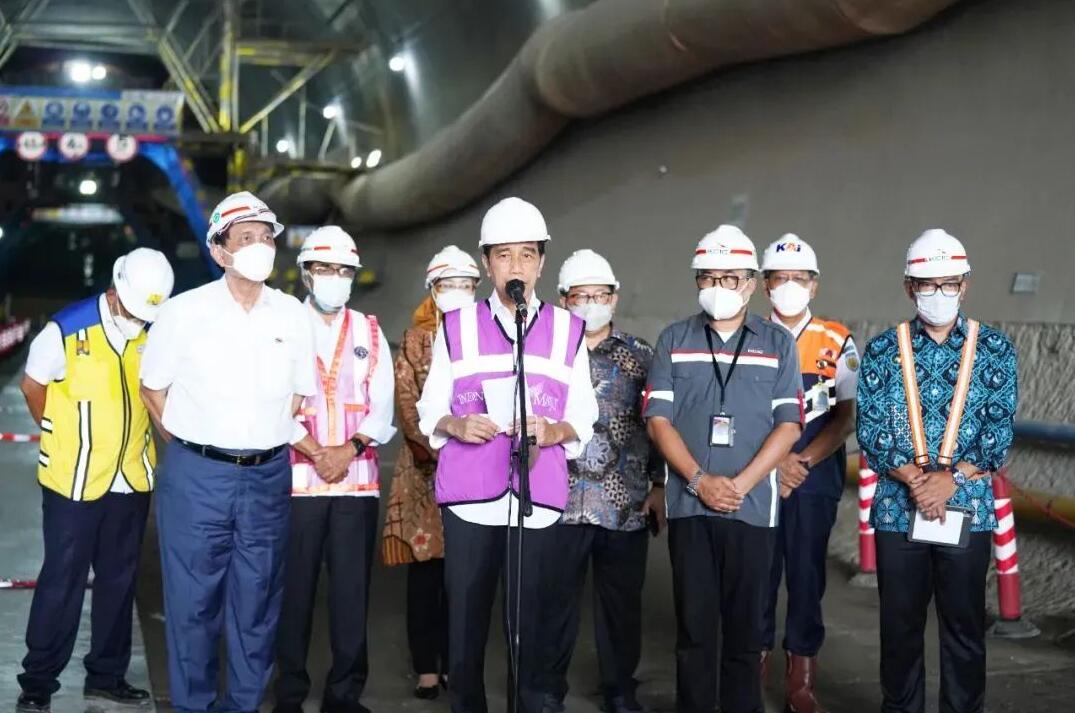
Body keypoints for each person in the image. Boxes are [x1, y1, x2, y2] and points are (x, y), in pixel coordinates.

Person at [416, 197, 598, 713]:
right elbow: (430, 409)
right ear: (487, 262)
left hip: (536, 498)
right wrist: (457, 423)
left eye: (526, 255)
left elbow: (583, 417)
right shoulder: (456, 326)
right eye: (503, 255)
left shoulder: (568, 330)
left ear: (541, 263)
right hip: (471, 496)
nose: (515, 266)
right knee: (465, 626)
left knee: (531, 627)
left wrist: (551, 430)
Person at [139, 191, 318, 713]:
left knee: (257, 604)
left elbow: (298, 396)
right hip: (197, 477)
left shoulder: (292, 315)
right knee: (192, 604)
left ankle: (243, 705)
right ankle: (194, 706)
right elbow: (153, 390)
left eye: (266, 237)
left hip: (266, 476)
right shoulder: (182, 312)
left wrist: (256, 435)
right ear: (219, 251)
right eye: (246, 238)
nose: (260, 246)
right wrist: (198, 445)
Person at [643, 224, 803, 713]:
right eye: (708, 277)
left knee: (746, 634)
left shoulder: (778, 343)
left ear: (751, 283)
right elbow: (658, 421)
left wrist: (740, 485)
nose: (719, 287)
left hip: (752, 509)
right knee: (694, 631)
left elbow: (789, 425)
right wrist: (699, 481)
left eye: (730, 278)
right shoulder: (674, 339)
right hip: (691, 508)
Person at [857, 229, 1017, 713]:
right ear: (909, 287)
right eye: (927, 284)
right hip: (896, 510)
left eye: (949, 284)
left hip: (969, 510)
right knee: (899, 628)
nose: (939, 294)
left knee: (964, 627)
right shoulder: (883, 349)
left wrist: (952, 479)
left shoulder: (994, 349)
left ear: (965, 284)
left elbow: (997, 431)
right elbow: (871, 429)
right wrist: (916, 481)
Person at [15, 248, 174, 713]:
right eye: (136, 310)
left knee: (119, 581)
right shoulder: (67, 329)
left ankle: (106, 676)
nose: (140, 320)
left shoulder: (154, 330)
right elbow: (32, 385)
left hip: (131, 476)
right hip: (74, 479)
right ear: (116, 289)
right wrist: (59, 431)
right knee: (62, 581)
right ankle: (38, 682)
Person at [273, 227, 396, 713]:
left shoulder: (369, 330)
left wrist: (348, 449)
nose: (334, 278)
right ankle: (289, 692)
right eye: (325, 269)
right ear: (306, 274)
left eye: (343, 270)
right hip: (296, 485)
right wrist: (315, 451)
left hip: (355, 485)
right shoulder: (284, 326)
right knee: (293, 593)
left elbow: (381, 405)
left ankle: (344, 694)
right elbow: (269, 399)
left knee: (351, 595)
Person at [541, 249, 665, 713]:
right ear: (563, 300)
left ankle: (619, 690)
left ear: (614, 298)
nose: (591, 304)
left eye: (600, 295)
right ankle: (546, 690)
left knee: (620, 606)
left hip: (624, 504)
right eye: (580, 296)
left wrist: (659, 486)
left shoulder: (641, 356)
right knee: (554, 604)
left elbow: (659, 424)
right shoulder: (546, 354)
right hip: (558, 502)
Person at [758, 235, 858, 713]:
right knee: (756, 575)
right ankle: (750, 665)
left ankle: (800, 680)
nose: (790, 286)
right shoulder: (749, 336)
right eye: (781, 278)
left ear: (814, 285)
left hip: (813, 479)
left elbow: (844, 417)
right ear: (765, 285)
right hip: (757, 477)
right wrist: (774, 463)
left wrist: (800, 463)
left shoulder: (837, 339)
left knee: (806, 575)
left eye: (800, 278)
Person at [381, 245, 481, 700]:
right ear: (433, 290)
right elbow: (407, 404)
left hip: (476, 472)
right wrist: (438, 448)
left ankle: (458, 663)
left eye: (465, 285)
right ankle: (426, 666)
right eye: (448, 285)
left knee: (466, 576)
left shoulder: (487, 338)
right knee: (426, 575)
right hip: (425, 472)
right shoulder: (414, 340)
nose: (457, 292)